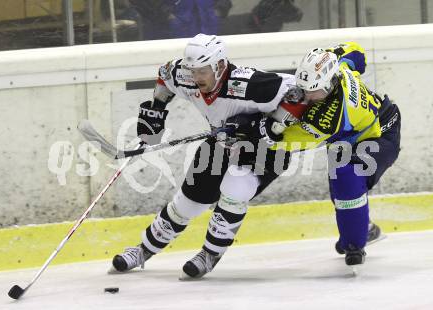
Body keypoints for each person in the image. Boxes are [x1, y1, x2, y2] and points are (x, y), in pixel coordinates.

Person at [111, 33, 296, 279]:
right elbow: (166, 75)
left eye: (203, 71)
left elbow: (298, 94)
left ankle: (209, 254)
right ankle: (143, 251)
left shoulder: (251, 84)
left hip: (265, 150)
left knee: (233, 191)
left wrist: (258, 125)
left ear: (219, 66)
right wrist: (157, 107)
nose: (196, 78)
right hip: (222, 142)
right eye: (193, 70)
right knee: (186, 203)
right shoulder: (185, 74)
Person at [257, 42, 401, 266]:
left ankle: (355, 244)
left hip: (380, 135)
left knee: (347, 177)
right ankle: (365, 228)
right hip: (349, 137)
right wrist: (330, 55)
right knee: (340, 189)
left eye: (312, 90)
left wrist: (264, 133)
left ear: (328, 83)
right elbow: (357, 52)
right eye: (304, 88)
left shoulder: (329, 118)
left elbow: (289, 141)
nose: (307, 95)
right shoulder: (338, 68)